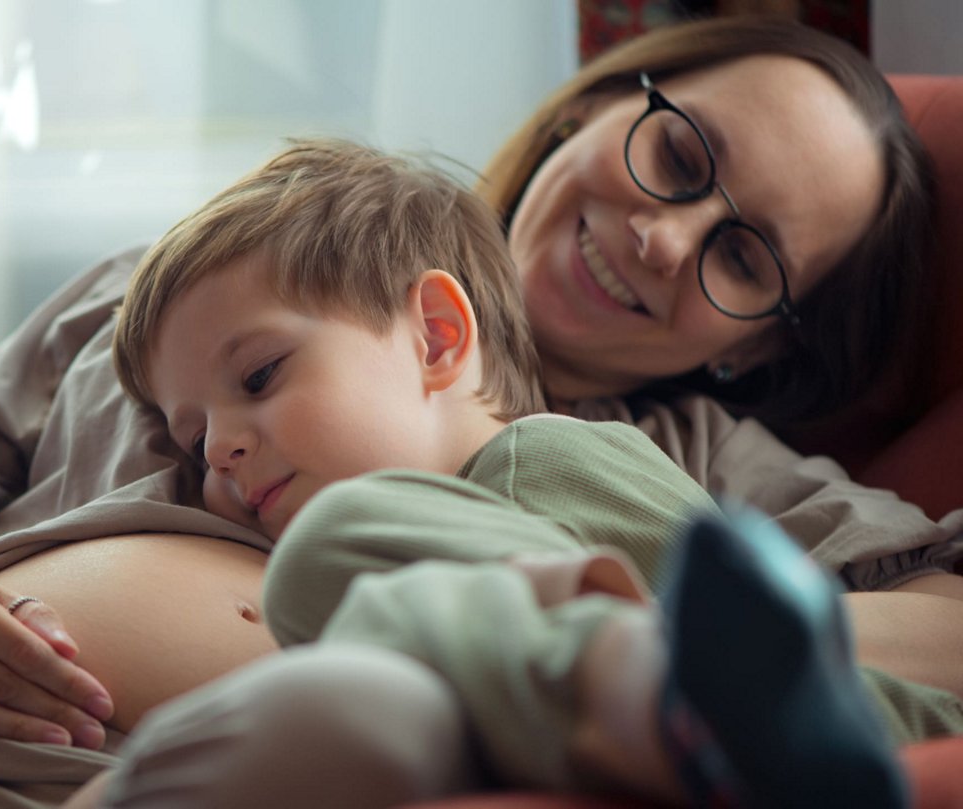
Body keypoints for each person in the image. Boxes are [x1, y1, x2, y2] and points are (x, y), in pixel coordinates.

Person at [0, 12, 959, 806]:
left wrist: (666, 630)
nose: (670, 239)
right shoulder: (171, 294)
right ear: (594, 103)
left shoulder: (706, 466)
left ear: (758, 344)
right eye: (677, 157)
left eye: (744, 258)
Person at [83, 135, 933, 808]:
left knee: (328, 556)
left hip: (880, 722)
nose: (220, 450)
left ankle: (668, 701)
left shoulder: (543, 457)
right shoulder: (448, 542)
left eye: (261, 376)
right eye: (193, 438)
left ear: (438, 337)